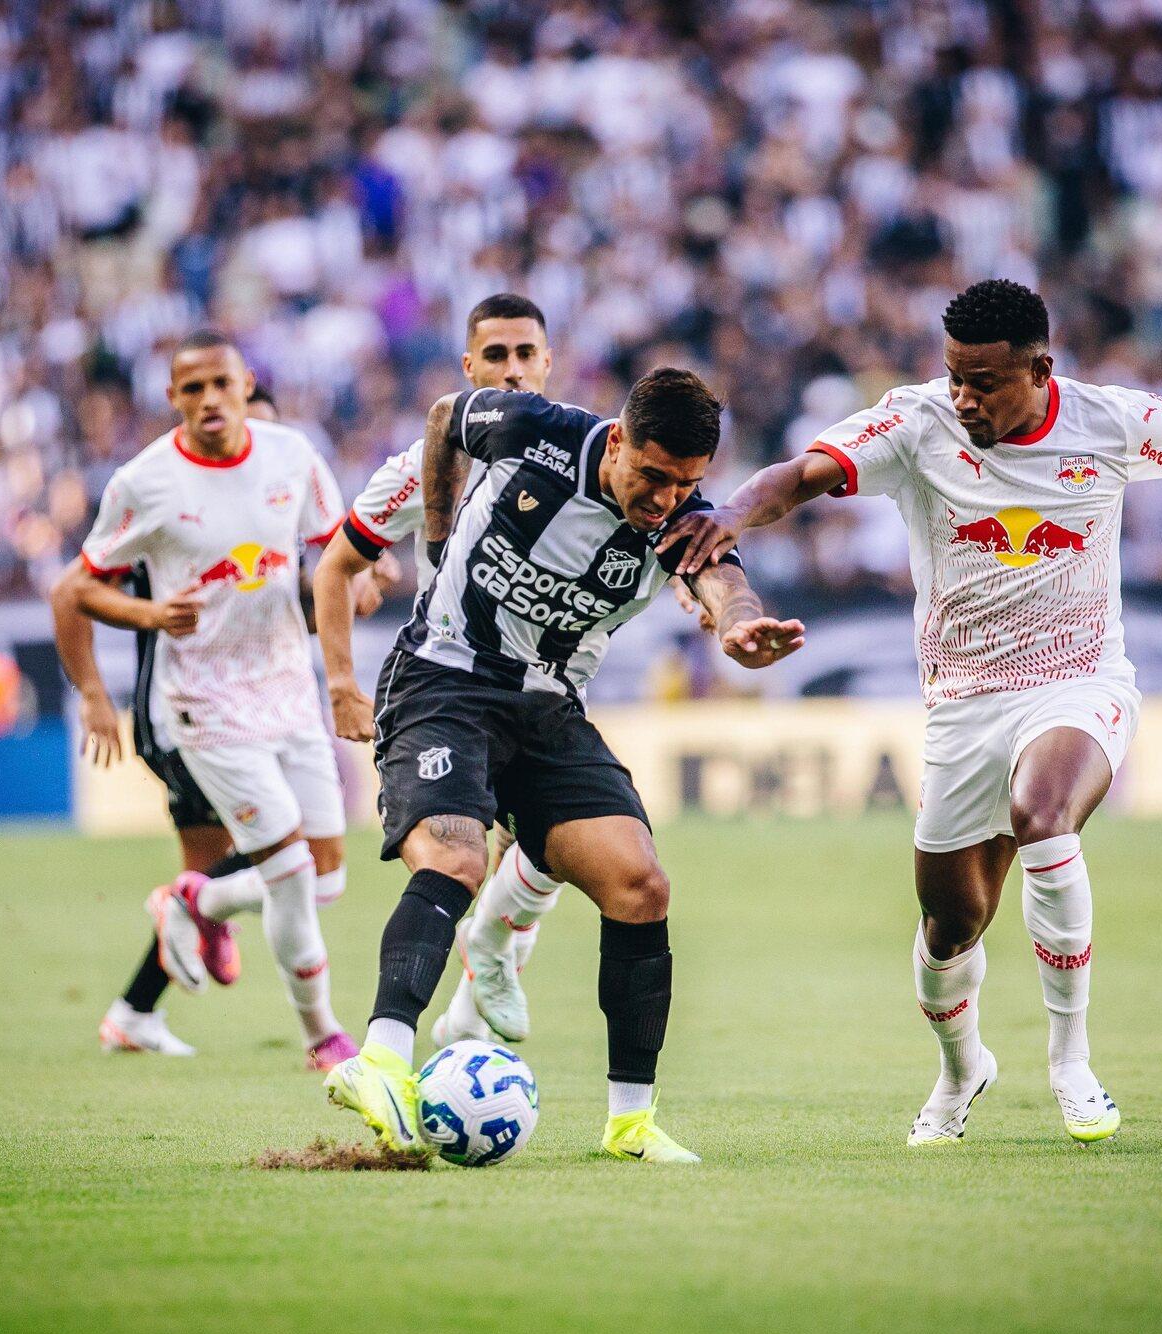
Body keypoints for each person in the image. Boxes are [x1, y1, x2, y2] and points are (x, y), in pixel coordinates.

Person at [666, 280, 1162, 1145]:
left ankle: (1071, 1063)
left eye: (984, 381)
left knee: (1044, 815)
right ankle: (960, 1070)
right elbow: (800, 476)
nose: (965, 398)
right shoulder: (917, 424)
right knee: (950, 927)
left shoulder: (1111, 421)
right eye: (954, 377)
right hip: (962, 704)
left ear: (1040, 368)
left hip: (1082, 680)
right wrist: (732, 514)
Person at [324, 367, 804, 1163]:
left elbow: (724, 582)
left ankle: (630, 1123)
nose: (663, 499)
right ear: (616, 441)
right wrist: (440, 538)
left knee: (640, 884)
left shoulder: (681, 520)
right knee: (455, 854)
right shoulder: (535, 432)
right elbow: (445, 414)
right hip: (443, 679)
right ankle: (378, 1061)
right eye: (651, 475)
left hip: (548, 709)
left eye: (684, 484)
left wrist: (741, 628)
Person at [52, 331, 357, 1069]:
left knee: (322, 876)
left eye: (222, 384)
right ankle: (324, 1038)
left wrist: (362, 587)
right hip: (198, 704)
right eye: (193, 390)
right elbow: (73, 591)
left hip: (287, 692)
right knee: (281, 870)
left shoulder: (293, 456)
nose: (211, 400)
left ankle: (192, 910)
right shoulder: (145, 482)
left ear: (246, 384)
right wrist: (101, 684)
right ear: (173, 399)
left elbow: (340, 556)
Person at [314, 293, 571, 1050]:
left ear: (549, 362)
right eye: (496, 356)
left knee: (551, 853)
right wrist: (340, 684)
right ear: (468, 368)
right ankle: (419, 1029)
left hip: (545, 692)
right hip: (449, 691)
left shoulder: (588, 457)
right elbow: (334, 568)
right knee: (460, 858)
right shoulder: (415, 471)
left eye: (527, 354)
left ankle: (471, 1003)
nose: (514, 371)